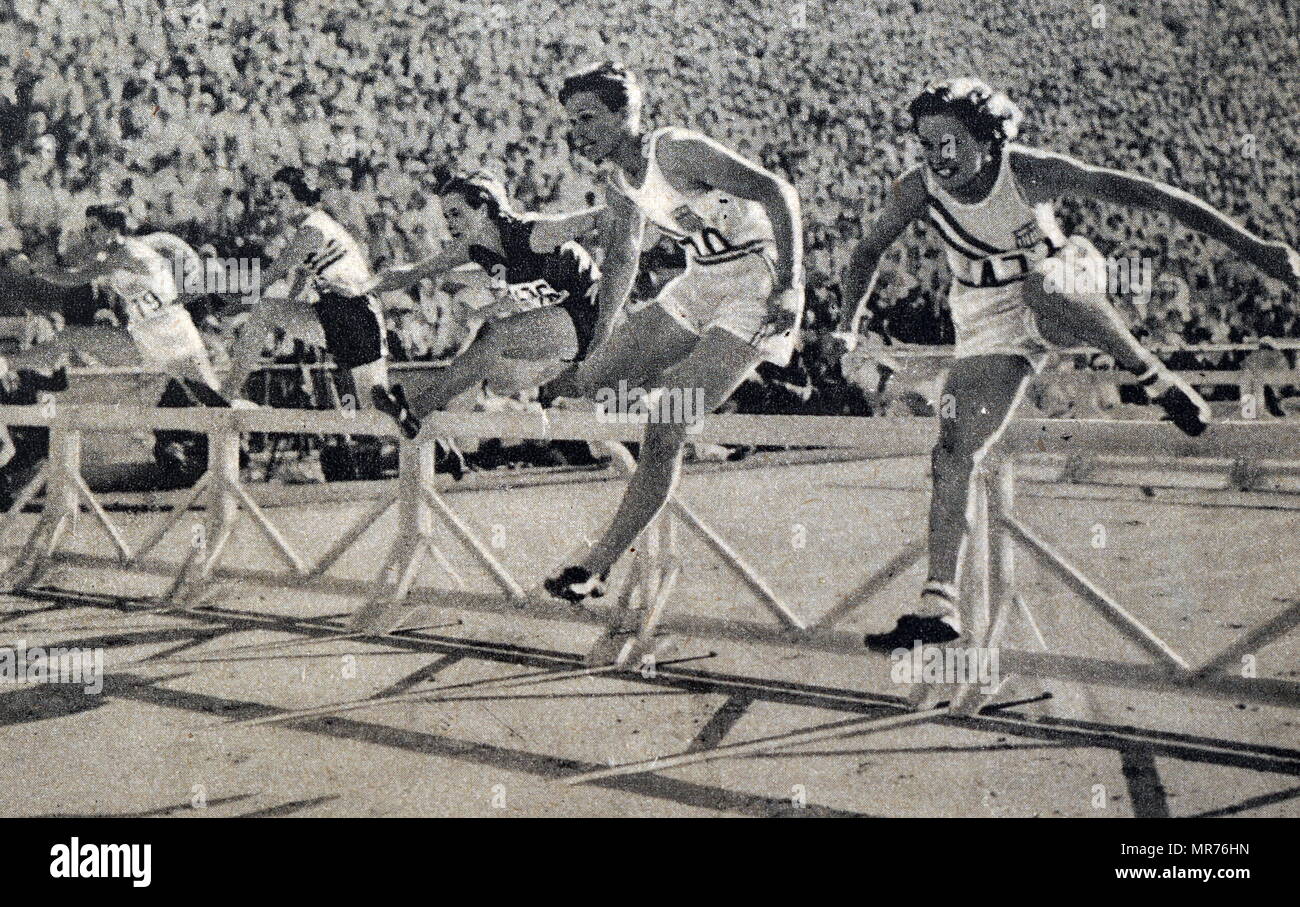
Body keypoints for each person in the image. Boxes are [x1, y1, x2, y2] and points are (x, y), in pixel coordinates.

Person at [829, 78, 1300, 649]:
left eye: (951, 141)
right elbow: (868, 249)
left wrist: (1257, 250)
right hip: (983, 311)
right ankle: (938, 604)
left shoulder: (1031, 171)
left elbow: (1155, 197)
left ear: (988, 139)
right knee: (954, 450)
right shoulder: (919, 188)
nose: (939, 157)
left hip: (1065, 281)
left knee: (1043, 286)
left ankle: (1150, 374)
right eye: (927, 143)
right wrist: (846, 325)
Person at [538, 64, 804, 629]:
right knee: (593, 381)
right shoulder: (617, 177)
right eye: (570, 122)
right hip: (700, 281)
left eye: (587, 118)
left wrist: (791, 284)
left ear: (623, 115)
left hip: (756, 284)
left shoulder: (676, 151)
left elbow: (778, 192)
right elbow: (624, 256)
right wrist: (602, 337)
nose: (577, 132)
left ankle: (596, 565)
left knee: (666, 425)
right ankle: (691, 393)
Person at [369, 170, 602, 415]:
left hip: (590, 317)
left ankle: (416, 410)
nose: (449, 223)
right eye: (446, 215)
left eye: (456, 213)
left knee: (495, 337)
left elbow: (603, 216)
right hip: (561, 332)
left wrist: (608, 276)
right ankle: (446, 443)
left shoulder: (534, 235)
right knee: (496, 381)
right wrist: (360, 287)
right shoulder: (482, 255)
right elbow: (413, 272)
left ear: (482, 210)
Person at [226, 166, 420, 438]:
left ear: (299, 197)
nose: (276, 203)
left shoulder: (312, 228)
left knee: (264, 309)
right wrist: (281, 327)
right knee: (375, 406)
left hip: (352, 311)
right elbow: (299, 282)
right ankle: (436, 444)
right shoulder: (321, 227)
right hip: (344, 315)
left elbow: (278, 269)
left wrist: (242, 300)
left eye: (282, 196)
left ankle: (227, 393)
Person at [32, 204, 228, 407]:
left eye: (94, 228)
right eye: (87, 230)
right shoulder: (114, 253)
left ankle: (246, 429)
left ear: (113, 231)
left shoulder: (124, 253)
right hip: (147, 332)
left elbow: (75, 278)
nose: (89, 235)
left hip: (172, 328)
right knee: (190, 394)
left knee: (208, 393)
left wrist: (37, 271)